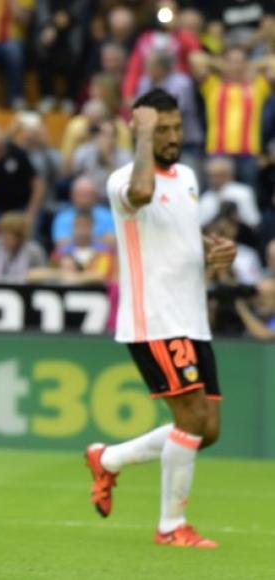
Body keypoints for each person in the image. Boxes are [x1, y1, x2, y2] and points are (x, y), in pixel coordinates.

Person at [85, 88, 236, 549]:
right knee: (191, 420)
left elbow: (176, 233)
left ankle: (108, 459)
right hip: (155, 319)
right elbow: (143, 192)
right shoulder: (123, 180)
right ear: (142, 130)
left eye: (175, 128)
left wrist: (213, 250)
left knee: (207, 429)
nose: (172, 137)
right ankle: (171, 527)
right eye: (161, 129)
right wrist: (143, 133)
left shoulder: (188, 177)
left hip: (192, 319)